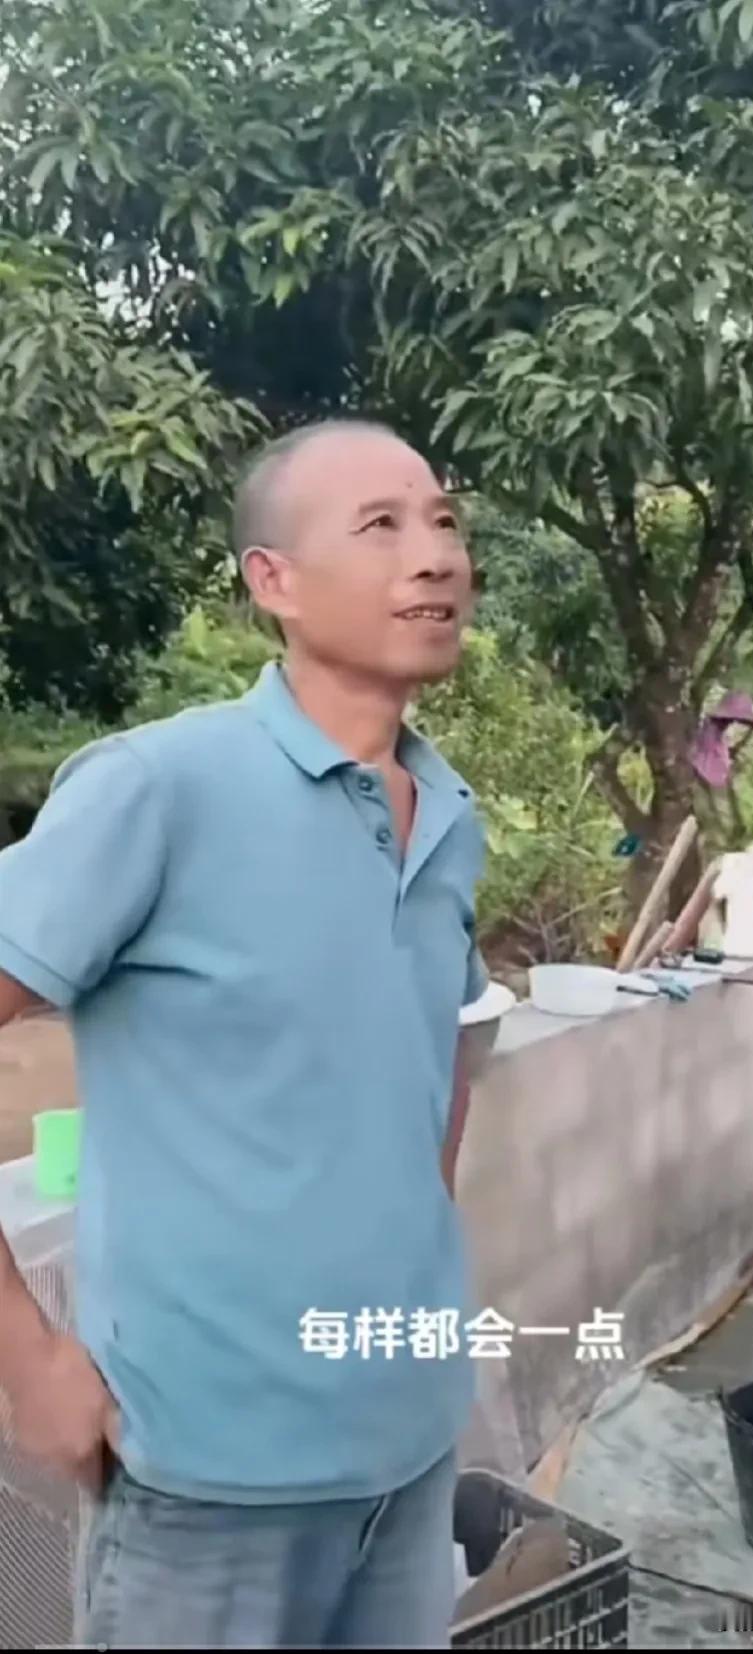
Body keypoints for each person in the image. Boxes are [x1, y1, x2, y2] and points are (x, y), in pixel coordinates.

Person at [0, 420, 488, 1648]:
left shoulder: (449, 815)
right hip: (205, 1486)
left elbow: (438, 1057)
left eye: (443, 521)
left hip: (409, 1449)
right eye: (381, 526)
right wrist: (29, 1360)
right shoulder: (158, 789)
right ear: (274, 581)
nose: (435, 556)